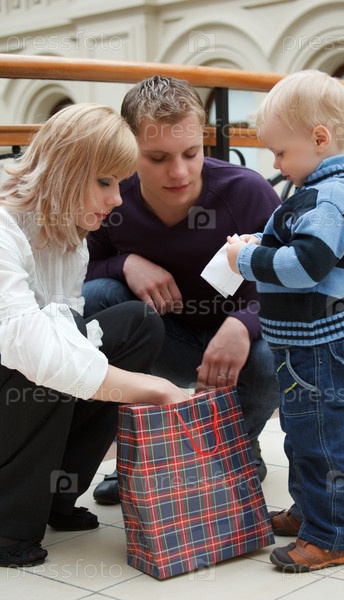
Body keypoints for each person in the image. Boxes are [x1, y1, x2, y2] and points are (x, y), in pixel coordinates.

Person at [0, 103, 188, 569]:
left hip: (22, 376)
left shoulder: (70, 236)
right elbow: (29, 343)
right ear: (65, 171)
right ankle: (8, 524)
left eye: (119, 183)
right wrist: (151, 388)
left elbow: (69, 332)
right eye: (105, 182)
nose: (118, 199)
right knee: (46, 357)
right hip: (13, 372)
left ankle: (56, 494)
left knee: (137, 325)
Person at [82, 75, 281, 504]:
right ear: (130, 147)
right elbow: (78, 276)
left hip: (242, 350)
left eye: (191, 153)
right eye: (157, 158)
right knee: (99, 296)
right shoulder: (113, 197)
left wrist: (244, 323)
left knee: (274, 354)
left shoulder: (248, 192)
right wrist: (124, 263)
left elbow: (295, 280)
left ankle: (235, 448)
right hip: (163, 341)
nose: (179, 172)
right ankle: (139, 453)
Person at [227, 70, 344, 572]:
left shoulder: (326, 196)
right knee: (303, 435)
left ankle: (332, 537)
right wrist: (268, 243)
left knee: (321, 444)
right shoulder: (325, 191)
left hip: (321, 348)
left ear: (319, 139)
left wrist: (247, 260)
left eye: (280, 152)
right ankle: (310, 513)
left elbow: (305, 266)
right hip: (309, 345)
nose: (275, 164)